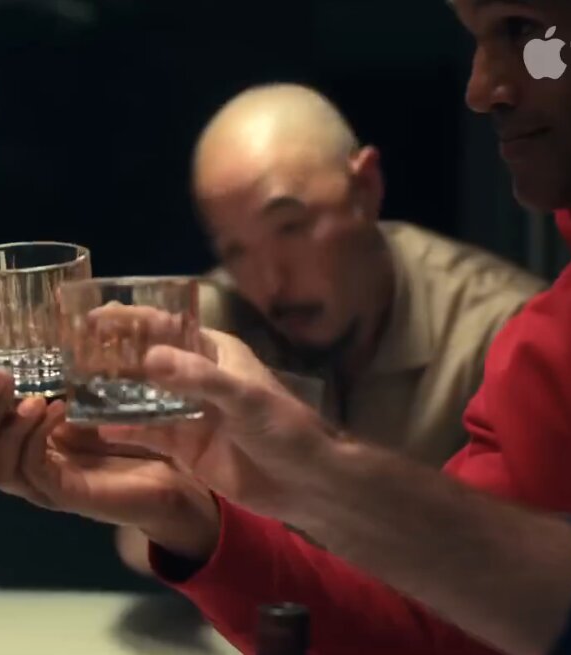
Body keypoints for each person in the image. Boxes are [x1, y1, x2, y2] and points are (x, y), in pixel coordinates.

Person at [0, 0, 571, 652]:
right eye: (236, 250)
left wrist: (313, 470)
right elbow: (435, 631)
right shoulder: (555, 343)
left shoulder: (501, 327)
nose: (479, 89)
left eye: (523, 27)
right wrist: (188, 517)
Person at [117, 83, 544, 574]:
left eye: (291, 227)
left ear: (366, 188)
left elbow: (530, 570)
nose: (270, 283)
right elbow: (137, 542)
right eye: (235, 250)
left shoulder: (504, 332)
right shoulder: (210, 327)